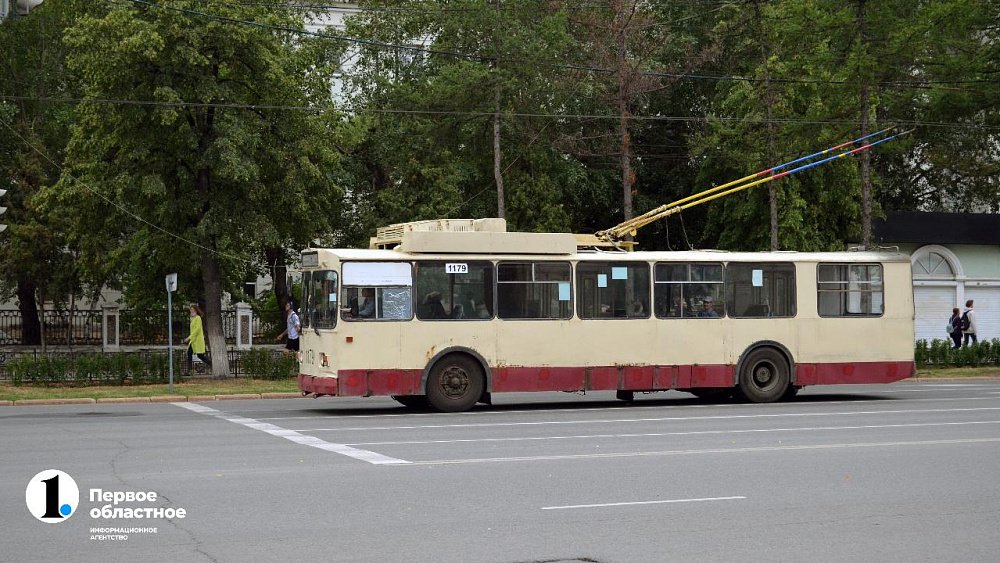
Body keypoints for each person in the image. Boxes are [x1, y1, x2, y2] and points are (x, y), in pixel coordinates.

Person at [181, 304, 211, 373]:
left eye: (192, 309)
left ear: (196, 310)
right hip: (193, 340)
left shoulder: (198, 318)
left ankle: (211, 363)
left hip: (197, 340)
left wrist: (189, 338)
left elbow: (197, 330)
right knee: (189, 353)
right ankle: (189, 370)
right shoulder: (192, 318)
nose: (191, 311)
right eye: (190, 310)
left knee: (200, 355)